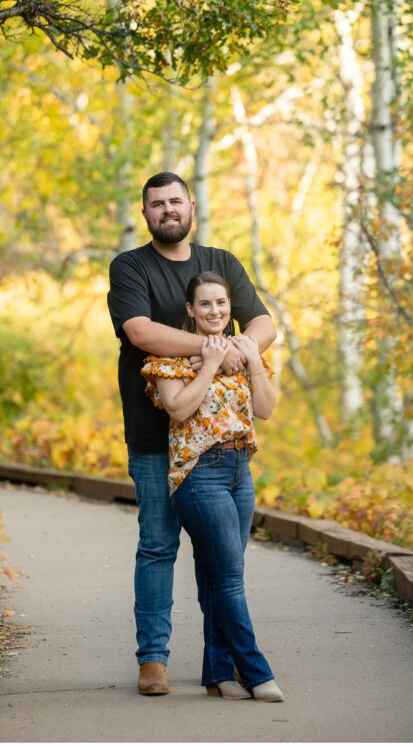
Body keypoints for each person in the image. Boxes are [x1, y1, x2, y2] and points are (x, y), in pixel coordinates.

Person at [107, 172, 276, 696]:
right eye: (157, 204)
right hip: (156, 434)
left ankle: (218, 667)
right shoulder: (131, 266)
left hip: (220, 445)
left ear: (192, 205)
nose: (167, 210)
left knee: (222, 560)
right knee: (158, 545)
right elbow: (140, 331)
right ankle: (152, 660)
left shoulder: (221, 263)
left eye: (175, 201)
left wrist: (241, 352)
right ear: (146, 214)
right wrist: (214, 352)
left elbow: (264, 324)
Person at [141, 271, 283, 702]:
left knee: (216, 575)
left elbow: (265, 409)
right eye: (205, 304)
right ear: (191, 310)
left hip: (240, 470)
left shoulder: (244, 352)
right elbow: (179, 409)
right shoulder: (168, 361)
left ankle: (218, 673)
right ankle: (256, 673)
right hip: (198, 475)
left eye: (222, 303)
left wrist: (252, 360)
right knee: (230, 578)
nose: (216, 311)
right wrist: (211, 363)